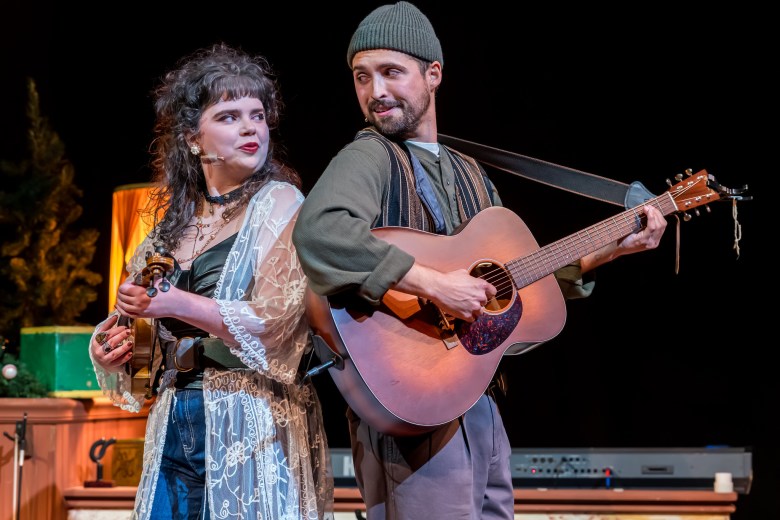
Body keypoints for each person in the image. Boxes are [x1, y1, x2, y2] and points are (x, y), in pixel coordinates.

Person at [291, 3, 667, 519]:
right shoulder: (370, 156)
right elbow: (321, 231)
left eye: (391, 72)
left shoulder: (470, 173)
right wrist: (433, 284)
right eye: (362, 76)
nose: (375, 91)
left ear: (433, 74)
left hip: (473, 398)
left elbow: (517, 276)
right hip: (413, 404)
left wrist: (609, 250)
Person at [88, 43, 334, 520]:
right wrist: (112, 344)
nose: (249, 127)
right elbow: (145, 334)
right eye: (229, 116)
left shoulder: (281, 204)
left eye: (257, 115)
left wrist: (175, 303)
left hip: (251, 418)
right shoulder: (171, 226)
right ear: (193, 140)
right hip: (175, 417)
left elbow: (278, 321)